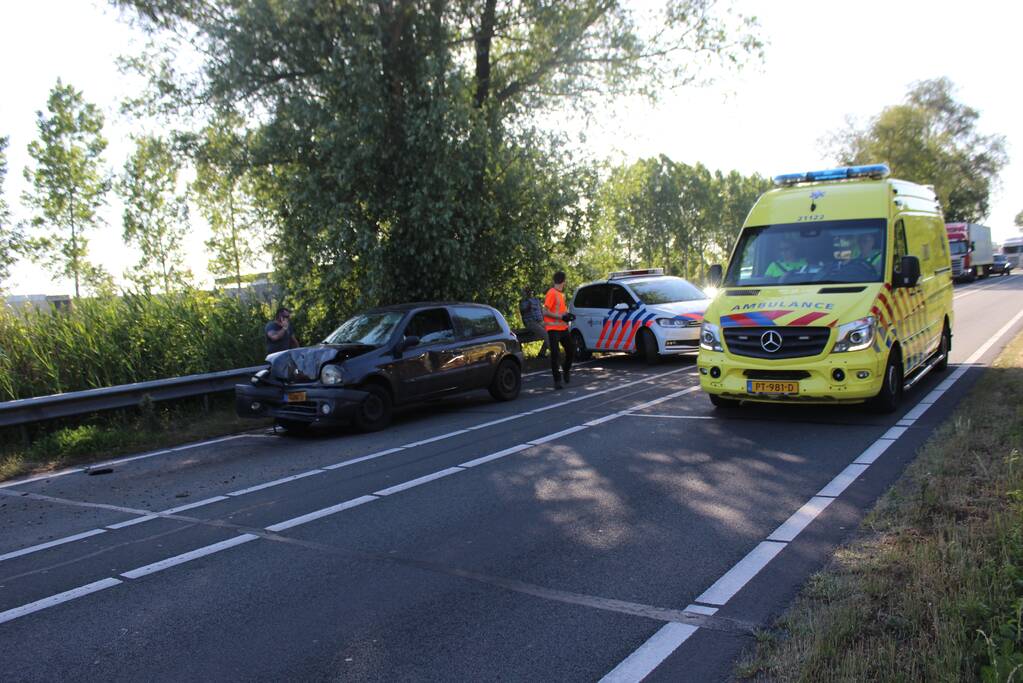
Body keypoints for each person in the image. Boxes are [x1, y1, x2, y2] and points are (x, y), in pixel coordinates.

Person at [542, 271, 575, 389]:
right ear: (563, 281)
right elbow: (545, 311)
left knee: (571, 350)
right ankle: (557, 381)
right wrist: (561, 317)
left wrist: (568, 315)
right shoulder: (551, 293)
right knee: (555, 354)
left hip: (563, 328)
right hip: (553, 329)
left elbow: (561, 311)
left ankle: (566, 370)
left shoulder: (561, 294)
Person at [519, 288, 548, 359]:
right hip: (531, 322)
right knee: (546, 335)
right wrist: (528, 306)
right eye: (527, 292)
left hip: (541, 321)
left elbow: (542, 311)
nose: (529, 293)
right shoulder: (522, 301)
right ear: (524, 293)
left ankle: (542, 353)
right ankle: (555, 353)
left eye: (530, 292)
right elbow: (522, 311)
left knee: (552, 331)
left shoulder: (537, 300)